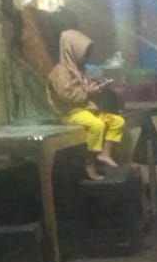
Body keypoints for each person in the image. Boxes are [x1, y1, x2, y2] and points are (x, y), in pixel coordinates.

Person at [45, 20, 124, 180]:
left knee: (117, 121)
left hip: (87, 111)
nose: (86, 56)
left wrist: (98, 89)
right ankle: (90, 162)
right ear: (72, 49)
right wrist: (88, 91)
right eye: (83, 52)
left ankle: (105, 154)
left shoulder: (79, 71)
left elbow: (84, 92)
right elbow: (67, 95)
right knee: (97, 125)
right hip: (71, 114)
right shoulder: (60, 72)